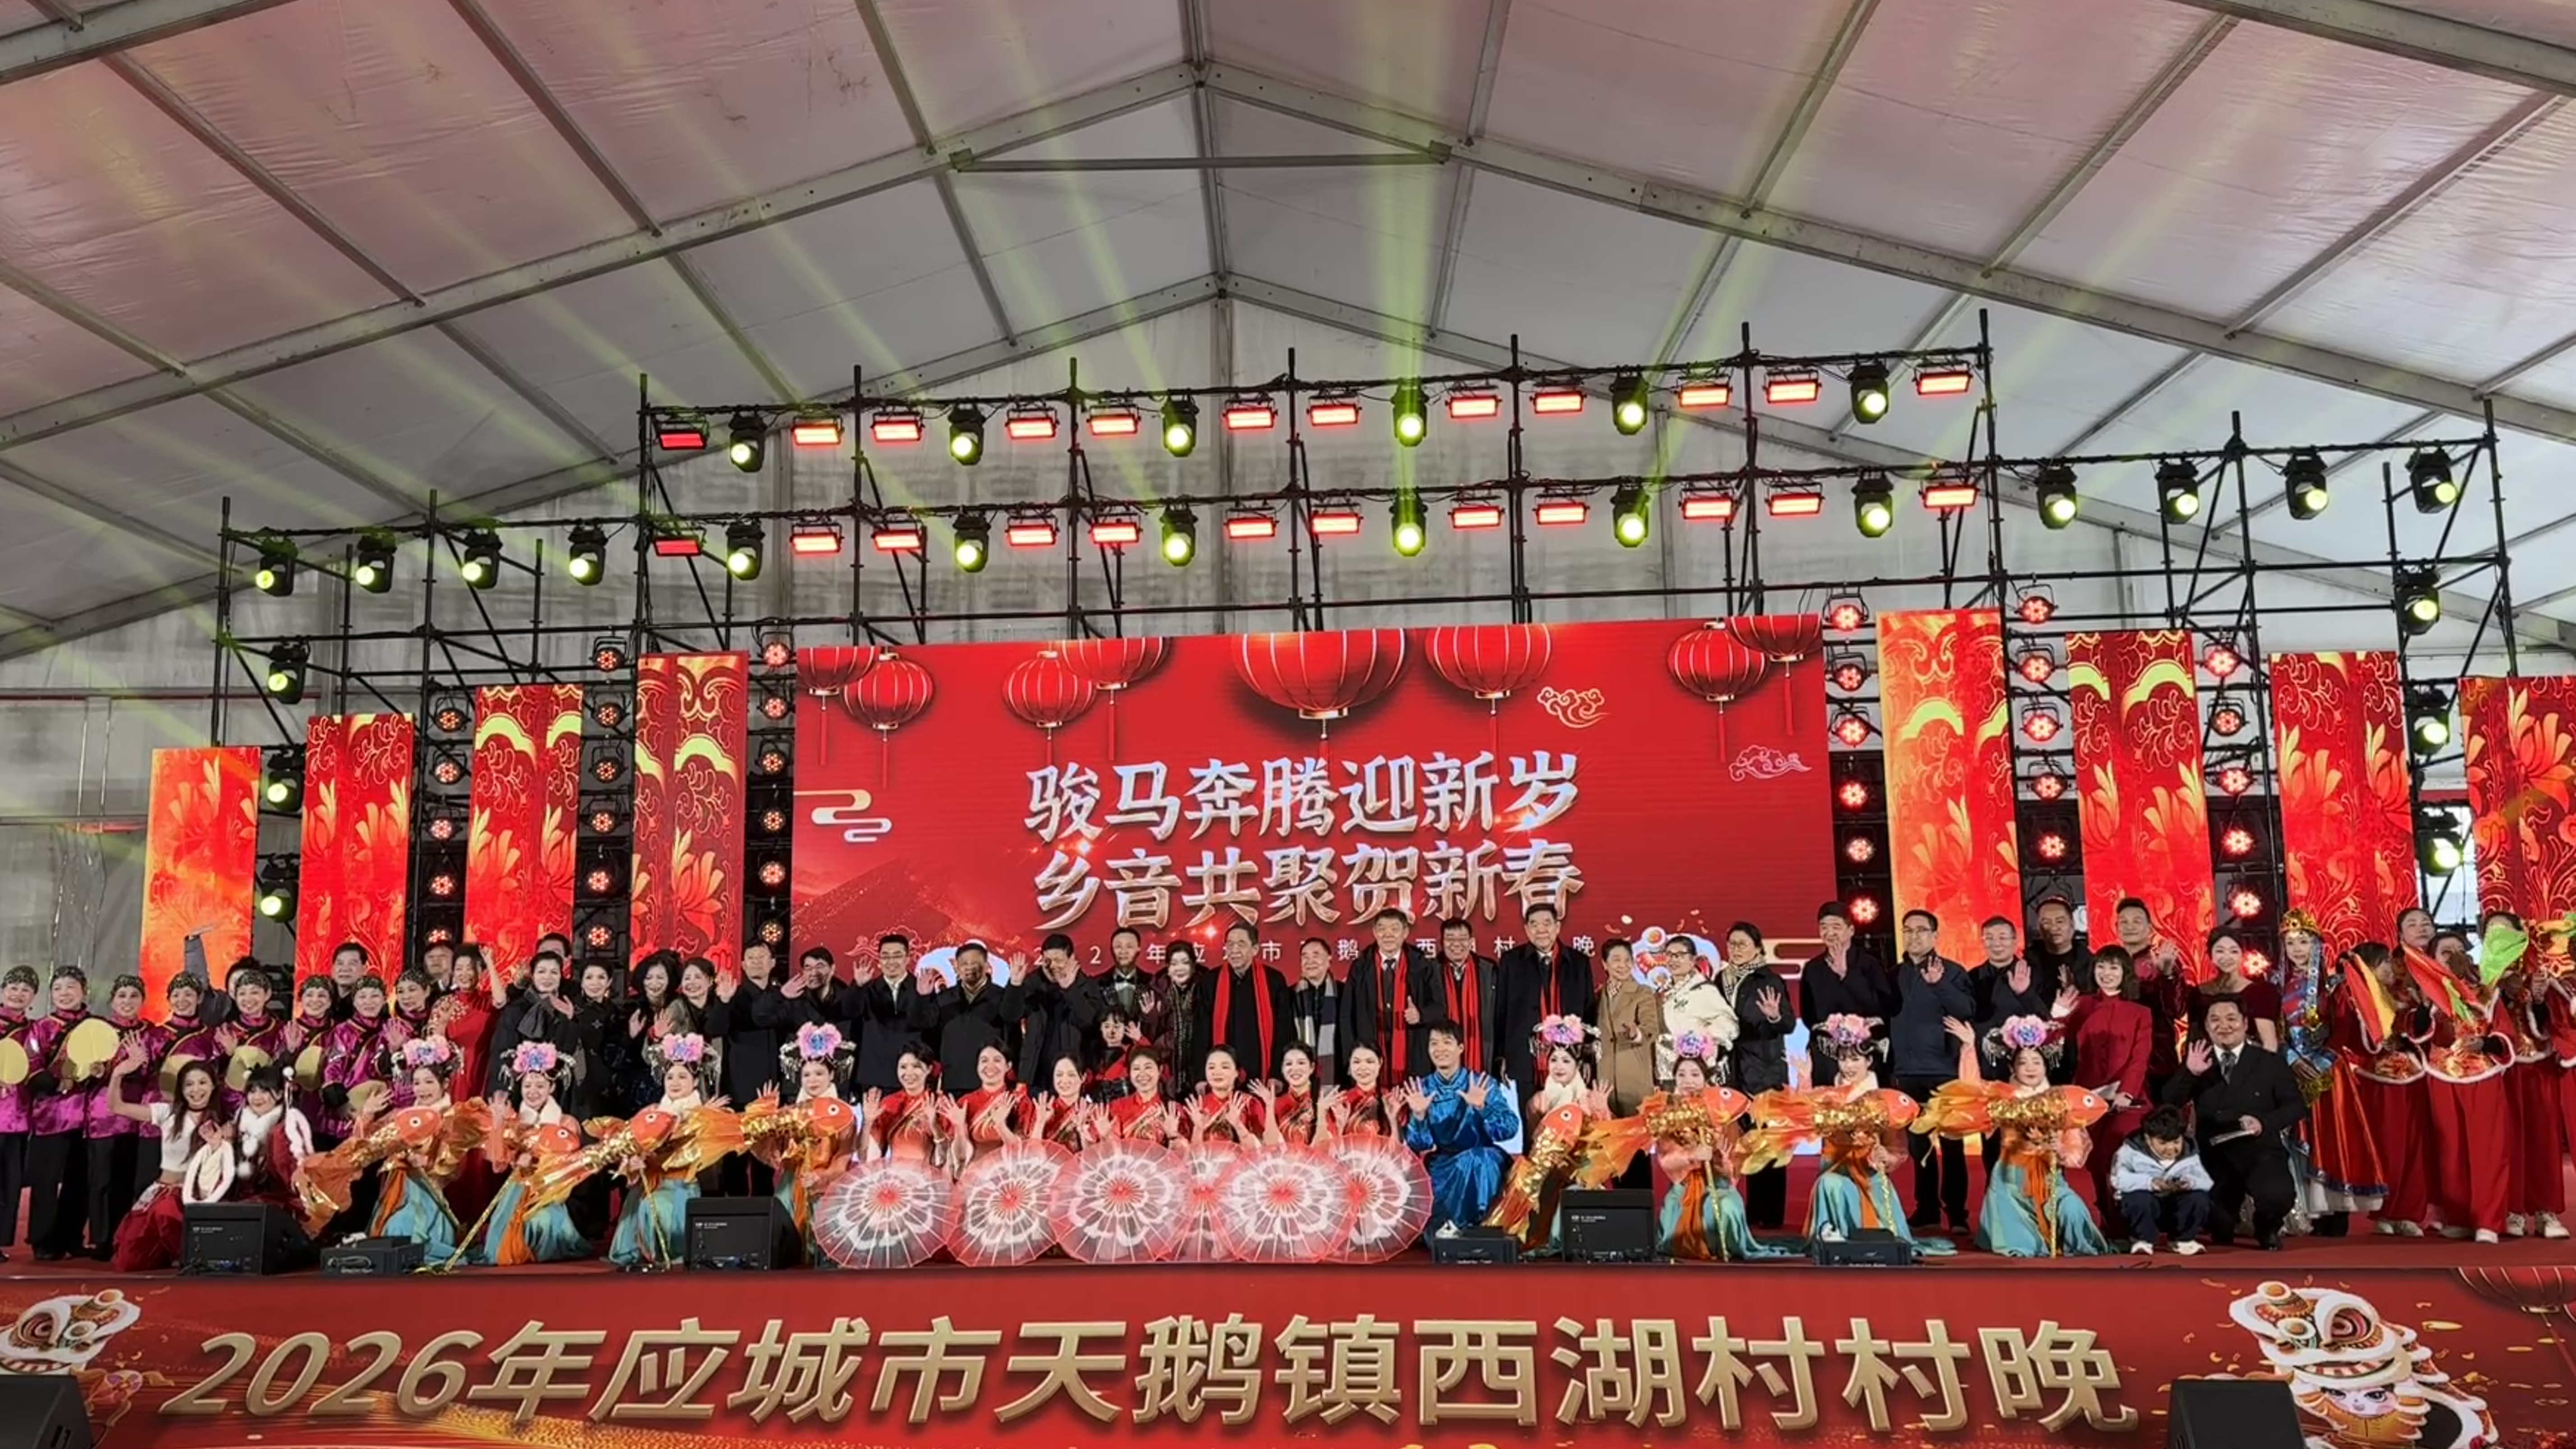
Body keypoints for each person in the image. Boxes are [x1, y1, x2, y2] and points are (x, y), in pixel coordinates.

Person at [1743, 1030, 1952, 1256]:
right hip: (1836, 1168)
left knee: (1837, 1189)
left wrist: (1887, 1157)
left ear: (1869, 1061)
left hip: (1869, 1177)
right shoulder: (1830, 1095)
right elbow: (1805, 1115)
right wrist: (1805, 1078)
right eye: (1843, 1059)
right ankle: (1834, 1241)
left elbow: (1897, 1147)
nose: (1848, 1066)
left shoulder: (1883, 1099)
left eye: (1855, 1059)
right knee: (1828, 1184)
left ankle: (1861, 1236)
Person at [1928, 1015, 2109, 1257]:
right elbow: (1972, 1088)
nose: (2031, 1068)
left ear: (2046, 1067)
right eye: (2023, 1063)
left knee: (2073, 1211)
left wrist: (2058, 1148)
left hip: (2050, 1179)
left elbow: (2076, 1154)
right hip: (2009, 1181)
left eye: (2037, 1062)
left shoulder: (2062, 1101)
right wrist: (1969, 1046)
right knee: (2022, 1245)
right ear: (2013, 1068)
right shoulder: (2003, 1096)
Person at [2160, 997, 2307, 1249]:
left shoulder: (2269, 1062)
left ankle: (2266, 1226)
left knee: (2277, 1196)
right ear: (2207, 1027)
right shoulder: (2199, 1059)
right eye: (2215, 1020)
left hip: (2259, 1150)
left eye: (2231, 1019)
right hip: (2214, 1153)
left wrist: (2263, 1122)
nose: (2224, 1026)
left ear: (2245, 1023)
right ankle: (2223, 1219)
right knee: (2218, 1225)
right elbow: (2168, 1102)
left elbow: (2296, 1107)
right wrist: (2189, 1073)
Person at [2279, 916, 2385, 1235]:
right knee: (2300, 1137)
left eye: (2304, 941)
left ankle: (2335, 1211)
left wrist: (2323, 1060)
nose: (2297, 949)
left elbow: (2344, 1028)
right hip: (2293, 1069)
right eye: (2291, 943)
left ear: (2317, 945)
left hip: (2329, 1070)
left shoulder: (2335, 984)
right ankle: (2308, 1209)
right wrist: (2291, 1058)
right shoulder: (2276, 984)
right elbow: (2273, 1029)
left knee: (2333, 1135)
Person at [605, 1034, 736, 1269]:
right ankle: (644, 1252)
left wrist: (705, 1119)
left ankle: (664, 1253)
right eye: (670, 1077)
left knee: (654, 1205)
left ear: (695, 1082)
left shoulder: (702, 1113)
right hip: (653, 1182)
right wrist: (633, 1161)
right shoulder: (653, 1111)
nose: (675, 1082)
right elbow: (632, 1144)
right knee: (643, 1200)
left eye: (683, 1077)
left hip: (681, 1185)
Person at [2415, 931, 2511, 1242]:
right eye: (2446, 952)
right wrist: (2425, 1003)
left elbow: (2504, 1032)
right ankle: (2459, 1216)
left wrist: (2485, 1043)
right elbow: (2417, 1033)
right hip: (2442, 1076)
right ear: (2433, 960)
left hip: (2482, 1076)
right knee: (2450, 1150)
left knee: (2488, 1150)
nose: (2454, 956)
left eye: (2459, 950)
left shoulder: (2487, 993)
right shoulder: (2429, 995)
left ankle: (2488, 1221)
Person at [1483, 1021, 1608, 1255]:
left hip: (1580, 1173)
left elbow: (1606, 1144)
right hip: (1548, 1172)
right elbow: (1535, 1144)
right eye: (1554, 1060)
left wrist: (1602, 1112)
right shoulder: (1538, 1101)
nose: (1559, 1066)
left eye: (1566, 1061)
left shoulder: (1590, 1099)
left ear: (1578, 1065)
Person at [2487, 911, 2571, 1239]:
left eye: (2505, 931)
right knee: (2507, 1141)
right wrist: (2501, 992)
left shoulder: (2540, 974)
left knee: (2543, 1139)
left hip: (2538, 1066)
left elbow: (2556, 1022)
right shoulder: (2481, 980)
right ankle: (2513, 1210)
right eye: (2492, 933)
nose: (2499, 938)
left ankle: (2546, 1211)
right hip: (2500, 1068)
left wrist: (2537, 999)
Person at [744, 1025, 860, 1263]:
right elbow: (766, 1145)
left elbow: (843, 1158)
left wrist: (822, 1177)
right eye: (807, 1075)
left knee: (822, 1247)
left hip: (826, 1186)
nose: (812, 1080)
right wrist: (763, 1113)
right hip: (791, 1184)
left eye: (819, 1074)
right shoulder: (791, 1112)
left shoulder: (844, 1116)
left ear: (831, 1076)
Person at [1890, 911, 1975, 1232]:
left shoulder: (1952, 972)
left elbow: (1967, 1010)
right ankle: (1926, 1209)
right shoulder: (1893, 975)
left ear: (1935, 936)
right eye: (1908, 930)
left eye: (1921, 930)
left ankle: (1957, 1214)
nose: (1914, 936)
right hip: (1907, 1072)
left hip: (1944, 1070)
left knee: (1952, 1145)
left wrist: (1939, 985)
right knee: (1918, 1146)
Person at [2343, 941, 2433, 1236]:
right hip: (2377, 1080)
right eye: (2382, 963)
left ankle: (2407, 1212)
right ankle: (2384, 1210)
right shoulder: (2356, 999)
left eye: (2389, 962)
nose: (2389, 968)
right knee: (2388, 1147)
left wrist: (2425, 1007)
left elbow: (2416, 1028)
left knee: (2414, 1147)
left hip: (2412, 1077)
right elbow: (2358, 1042)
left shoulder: (2405, 995)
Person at [472, 1043, 589, 1266]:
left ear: (552, 1088)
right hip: (517, 1193)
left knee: (542, 1222)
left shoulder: (566, 1123)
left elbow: (569, 1166)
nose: (533, 1091)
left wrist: (538, 1162)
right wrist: (498, 1124)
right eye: (527, 1086)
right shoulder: (516, 1122)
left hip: (548, 1193)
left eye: (540, 1086)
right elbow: (498, 1164)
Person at [104, 1054, 220, 1271]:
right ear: (181, 1090)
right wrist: (118, 1074)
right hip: (163, 1190)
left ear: (213, 1086)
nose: (196, 1090)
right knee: (128, 1260)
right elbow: (116, 1107)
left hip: (197, 1196)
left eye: (203, 1083)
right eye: (189, 1085)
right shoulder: (167, 1113)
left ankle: (193, 1258)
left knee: (166, 1211)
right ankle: (170, 1252)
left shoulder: (222, 1121)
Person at [2063, 946, 2153, 1222]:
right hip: (2088, 1097)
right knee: (2094, 1162)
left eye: (2114, 968)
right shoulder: (2081, 1005)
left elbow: (2140, 1058)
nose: (2107, 973)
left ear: (2125, 973)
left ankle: (2125, 1219)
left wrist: (2127, 1092)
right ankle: (2107, 1215)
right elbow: (2054, 1040)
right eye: (2102, 967)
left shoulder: (2140, 1012)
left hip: (2127, 1099)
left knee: (2115, 1154)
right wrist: (2058, 1014)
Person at [1713, 924, 1793, 1228]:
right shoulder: (1721, 979)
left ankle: (1772, 1214)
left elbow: (1787, 1023)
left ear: (1758, 947)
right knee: (1746, 1142)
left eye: (1743, 944)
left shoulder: (1769, 980)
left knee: (1769, 1143)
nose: (1736, 949)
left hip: (1765, 1071)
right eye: (1732, 943)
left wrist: (1774, 1015)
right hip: (1734, 1072)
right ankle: (1754, 1207)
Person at [1403, 1023, 1518, 1230]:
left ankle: (1484, 1230)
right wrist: (1419, 1117)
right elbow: (1419, 1145)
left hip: (1485, 1161)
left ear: (1461, 1048)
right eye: (1434, 1044)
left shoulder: (1482, 1084)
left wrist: (1483, 1108)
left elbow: (1509, 1129)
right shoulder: (1423, 1088)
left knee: (1479, 1159)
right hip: (1443, 1165)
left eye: (1447, 1043)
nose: (1440, 1049)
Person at [22, 965, 97, 1260]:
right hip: (50, 1116)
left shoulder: (96, 1027)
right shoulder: (41, 1028)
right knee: (46, 1182)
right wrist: (57, 1083)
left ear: (84, 991)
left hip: (88, 1117)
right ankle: (43, 1240)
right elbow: (31, 1067)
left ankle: (72, 1237)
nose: (65, 993)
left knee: (80, 1181)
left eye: (71, 987)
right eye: (58, 988)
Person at [85, 975, 155, 1254]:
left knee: (128, 1181)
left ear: (143, 1000)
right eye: (122, 996)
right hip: (102, 1116)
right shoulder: (98, 1031)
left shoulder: (151, 1033)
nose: (128, 1001)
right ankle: (101, 1240)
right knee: (101, 1181)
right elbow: (81, 1072)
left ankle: (123, 1238)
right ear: (112, 1000)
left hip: (135, 1117)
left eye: (134, 996)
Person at [1498, 903, 1593, 1099]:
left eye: (1547, 923)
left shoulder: (1579, 962)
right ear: (1527, 930)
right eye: (1534, 925)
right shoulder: (1511, 961)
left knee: (1569, 1115)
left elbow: (1589, 1011)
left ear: (1557, 927)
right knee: (1531, 1114)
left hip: (1570, 1058)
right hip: (1525, 1058)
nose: (1541, 930)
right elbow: (1501, 1011)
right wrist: (1502, 1056)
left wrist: (1587, 1057)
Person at [1796, 902, 1890, 1086]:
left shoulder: (1870, 965)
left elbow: (1882, 1008)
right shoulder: (1813, 968)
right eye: (1824, 927)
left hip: (1863, 1054)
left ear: (1851, 930)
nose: (1830, 933)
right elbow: (1809, 1015)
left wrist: (1846, 976)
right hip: (1826, 1054)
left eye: (1836, 927)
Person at [1344, 909, 1442, 1079]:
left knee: (1413, 1094)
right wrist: (1350, 1058)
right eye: (1382, 929)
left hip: (1412, 1046)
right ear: (1375, 933)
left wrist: (1421, 1015)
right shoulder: (1360, 967)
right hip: (1370, 1046)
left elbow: (1440, 1007)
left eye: (1395, 929)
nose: (1388, 935)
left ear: (1406, 933)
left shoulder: (1423, 965)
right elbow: (1347, 1015)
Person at [911, 943, 1021, 1090]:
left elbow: (1013, 1022)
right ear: (957, 968)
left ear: (987, 966)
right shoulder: (944, 1000)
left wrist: (1015, 985)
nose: (970, 967)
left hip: (992, 1084)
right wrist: (924, 998)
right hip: (953, 1083)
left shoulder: (1001, 998)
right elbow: (925, 1031)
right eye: (964, 964)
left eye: (975, 963)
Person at [2111, 1105, 2213, 1256]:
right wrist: (2151, 1183)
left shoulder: (2190, 1151)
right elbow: (2118, 1179)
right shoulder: (2129, 1151)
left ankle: (2183, 1240)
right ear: (2148, 1138)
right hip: (2145, 1208)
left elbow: (2205, 1181)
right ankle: (2142, 1240)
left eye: (2176, 1142)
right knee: (2138, 1198)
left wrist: (2189, 1183)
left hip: (2174, 1206)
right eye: (2163, 1143)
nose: (2171, 1149)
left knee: (2199, 1197)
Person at [1201, 922, 1291, 1077]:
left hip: (1262, 1073)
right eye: (1230, 945)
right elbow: (1202, 1031)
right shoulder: (1211, 981)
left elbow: (1283, 1032)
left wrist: (1277, 1075)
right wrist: (1201, 1077)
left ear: (1255, 949)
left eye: (1241, 944)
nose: (1234, 950)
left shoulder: (1274, 980)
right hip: (1222, 1075)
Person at [1973, 919, 2061, 1076]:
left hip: (2025, 1066)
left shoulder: (2036, 974)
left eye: (2003, 937)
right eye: (1989, 938)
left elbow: (2048, 1020)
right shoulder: (1972, 978)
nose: (1996, 944)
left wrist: (2025, 993)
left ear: (2015, 941)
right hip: (1984, 1066)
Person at [1017, 933, 1102, 1085]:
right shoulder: (1031, 984)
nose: (1053, 966)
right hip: (1036, 1077)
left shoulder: (1087, 986)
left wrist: (1070, 990)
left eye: (1058, 961)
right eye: (1047, 961)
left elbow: (1091, 1024)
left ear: (1072, 959)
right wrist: (1014, 986)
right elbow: (1010, 1016)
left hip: (1073, 1077)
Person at [1595, 940, 1665, 1118]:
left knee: (1638, 1130)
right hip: (1605, 1081)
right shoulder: (1598, 996)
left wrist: (1636, 1034)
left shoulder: (1643, 992)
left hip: (1634, 1076)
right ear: (1605, 964)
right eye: (1617, 960)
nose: (1623, 966)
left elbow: (1651, 1028)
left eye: (1628, 960)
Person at [1653, 938, 1736, 1084]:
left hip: (1695, 1071)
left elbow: (1730, 1024)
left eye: (1680, 955)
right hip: (1666, 1073)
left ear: (1693, 960)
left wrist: (1702, 1040)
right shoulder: (1661, 993)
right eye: (1669, 955)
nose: (1674, 960)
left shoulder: (1704, 990)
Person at [2190, 929, 2282, 1051]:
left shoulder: (2260, 992)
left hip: (2250, 1059)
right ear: (2210, 955)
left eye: (2234, 951)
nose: (2227, 957)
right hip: (2208, 1059)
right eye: (2220, 951)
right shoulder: (2198, 994)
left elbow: (2269, 1042)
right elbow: (2194, 1039)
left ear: (2242, 955)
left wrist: (2265, 1064)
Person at [943, 1042, 1029, 1171]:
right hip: (974, 1175)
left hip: (1008, 1176)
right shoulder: (966, 1102)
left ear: (1008, 1066)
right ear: (977, 1066)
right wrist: (960, 1127)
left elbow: (1023, 1153)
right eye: (984, 1061)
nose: (990, 1066)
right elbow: (960, 1158)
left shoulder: (1019, 1101)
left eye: (997, 1060)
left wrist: (1001, 1126)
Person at [0, 965, 37, 1264]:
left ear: (34, 997)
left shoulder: (35, 1031)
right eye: (13, 988)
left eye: (26, 990)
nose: (18, 994)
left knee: (9, 1186)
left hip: (19, 1119)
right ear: (3, 991)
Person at [862, 1044, 942, 1163]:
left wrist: (935, 1127)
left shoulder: (939, 1103)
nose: (909, 1073)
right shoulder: (889, 1103)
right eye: (903, 1067)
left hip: (928, 1173)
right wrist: (868, 1123)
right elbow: (867, 1157)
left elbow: (947, 1159)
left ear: (929, 1069)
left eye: (916, 1066)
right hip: (894, 1173)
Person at [1097, 927, 1168, 1049]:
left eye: (1129, 947)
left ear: (1139, 948)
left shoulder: (1152, 984)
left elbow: (1160, 1030)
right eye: (1118, 947)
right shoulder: (1098, 984)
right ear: (1111, 949)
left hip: (1141, 1054)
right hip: (1107, 1055)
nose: (1123, 951)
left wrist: (1150, 1018)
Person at [1186, 1045, 1268, 1145]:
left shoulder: (1250, 1104)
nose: (1217, 1072)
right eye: (1211, 1067)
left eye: (1225, 1067)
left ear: (1237, 1072)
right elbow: (1191, 1152)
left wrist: (1238, 1126)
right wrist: (1198, 1129)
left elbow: (1262, 1149)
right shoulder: (1198, 1108)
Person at [1286, 938, 1341, 1087]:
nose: (1310, 961)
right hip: (1298, 1074)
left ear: (1329, 960)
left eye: (1316, 955)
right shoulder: (1289, 995)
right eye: (1305, 957)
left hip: (1336, 1072)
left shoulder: (1344, 992)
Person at [1321, 1042, 1401, 1139]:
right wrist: (1340, 1126)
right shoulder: (1340, 1102)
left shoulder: (1392, 1099)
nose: (1363, 1068)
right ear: (1350, 1065)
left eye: (1369, 1062)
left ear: (1380, 1063)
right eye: (1357, 1062)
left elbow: (1399, 1146)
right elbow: (1332, 1146)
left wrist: (1394, 1120)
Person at [1104, 1048, 1182, 1144]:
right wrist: (1107, 1136)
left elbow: (1186, 1152)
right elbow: (1110, 1149)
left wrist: (1173, 1137)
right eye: (1136, 1069)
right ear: (1130, 1073)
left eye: (1148, 1068)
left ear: (1160, 1070)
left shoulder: (1173, 1110)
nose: (1142, 1074)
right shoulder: (1118, 1107)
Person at [1160, 944, 1207, 1086]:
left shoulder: (1207, 989)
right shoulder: (1157, 992)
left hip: (1201, 1067)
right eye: (1174, 964)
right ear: (1168, 968)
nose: (1179, 968)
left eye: (1185, 963)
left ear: (1194, 966)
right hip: (1167, 1069)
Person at [1260, 1045, 1323, 1145]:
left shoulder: (1323, 1102)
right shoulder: (1275, 1104)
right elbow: (1270, 1146)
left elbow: (1329, 1146)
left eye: (1301, 1063)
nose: (1295, 1069)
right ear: (1282, 1069)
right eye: (1289, 1064)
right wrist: (1269, 1108)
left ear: (1312, 1067)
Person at [2027, 896, 2090, 987]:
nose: (2054, 928)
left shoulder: (2091, 963)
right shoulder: (2028, 963)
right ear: (2039, 928)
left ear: (2072, 924)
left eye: (2060, 922)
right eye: (2047, 923)